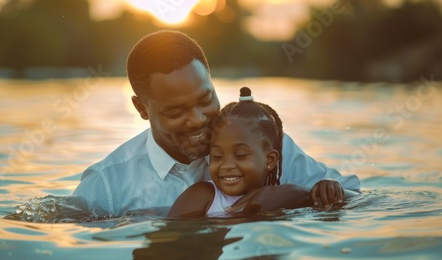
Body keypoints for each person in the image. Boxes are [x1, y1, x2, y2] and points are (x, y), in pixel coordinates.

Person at [72, 30, 360, 217]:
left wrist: (289, 195)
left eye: (205, 99)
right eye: (176, 112)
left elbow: (353, 198)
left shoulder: (263, 143)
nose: (198, 119)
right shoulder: (107, 185)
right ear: (141, 108)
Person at [168, 87, 308, 218]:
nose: (227, 165)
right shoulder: (202, 197)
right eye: (217, 156)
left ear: (270, 160)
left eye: (240, 155)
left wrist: (311, 193)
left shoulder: (284, 198)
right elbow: (174, 236)